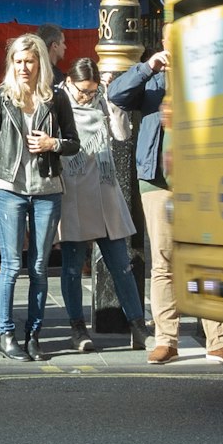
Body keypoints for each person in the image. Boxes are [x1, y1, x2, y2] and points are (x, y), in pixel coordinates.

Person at [108, 49, 223, 366]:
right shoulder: (152, 77)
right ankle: (167, 341)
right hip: (157, 180)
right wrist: (147, 67)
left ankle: (219, 341)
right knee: (164, 263)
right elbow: (116, 94)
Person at [0, 32, 73, 360]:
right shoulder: (1, 98)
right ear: (12, 64)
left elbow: (73, 142)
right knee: (11, 265)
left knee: (38, 266)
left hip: (48, 190)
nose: (23, 67)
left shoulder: (56, 98)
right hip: (10, 190)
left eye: (29, 61)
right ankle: (6, 336)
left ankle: (33, 335)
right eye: (18, 61)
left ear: (40, 63)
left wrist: (53, 144)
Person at [52, 51, 142, 356]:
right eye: (83, 91)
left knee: (122, 266)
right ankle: (77, 328)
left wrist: (112, 102)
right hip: (72, 195)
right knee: (73, 268)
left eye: (92, 91)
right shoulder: (56, 106)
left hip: (104, 193)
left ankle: (138, 325)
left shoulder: (103, 102)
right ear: (68, 83)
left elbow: (122, 134)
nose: (88, 97)